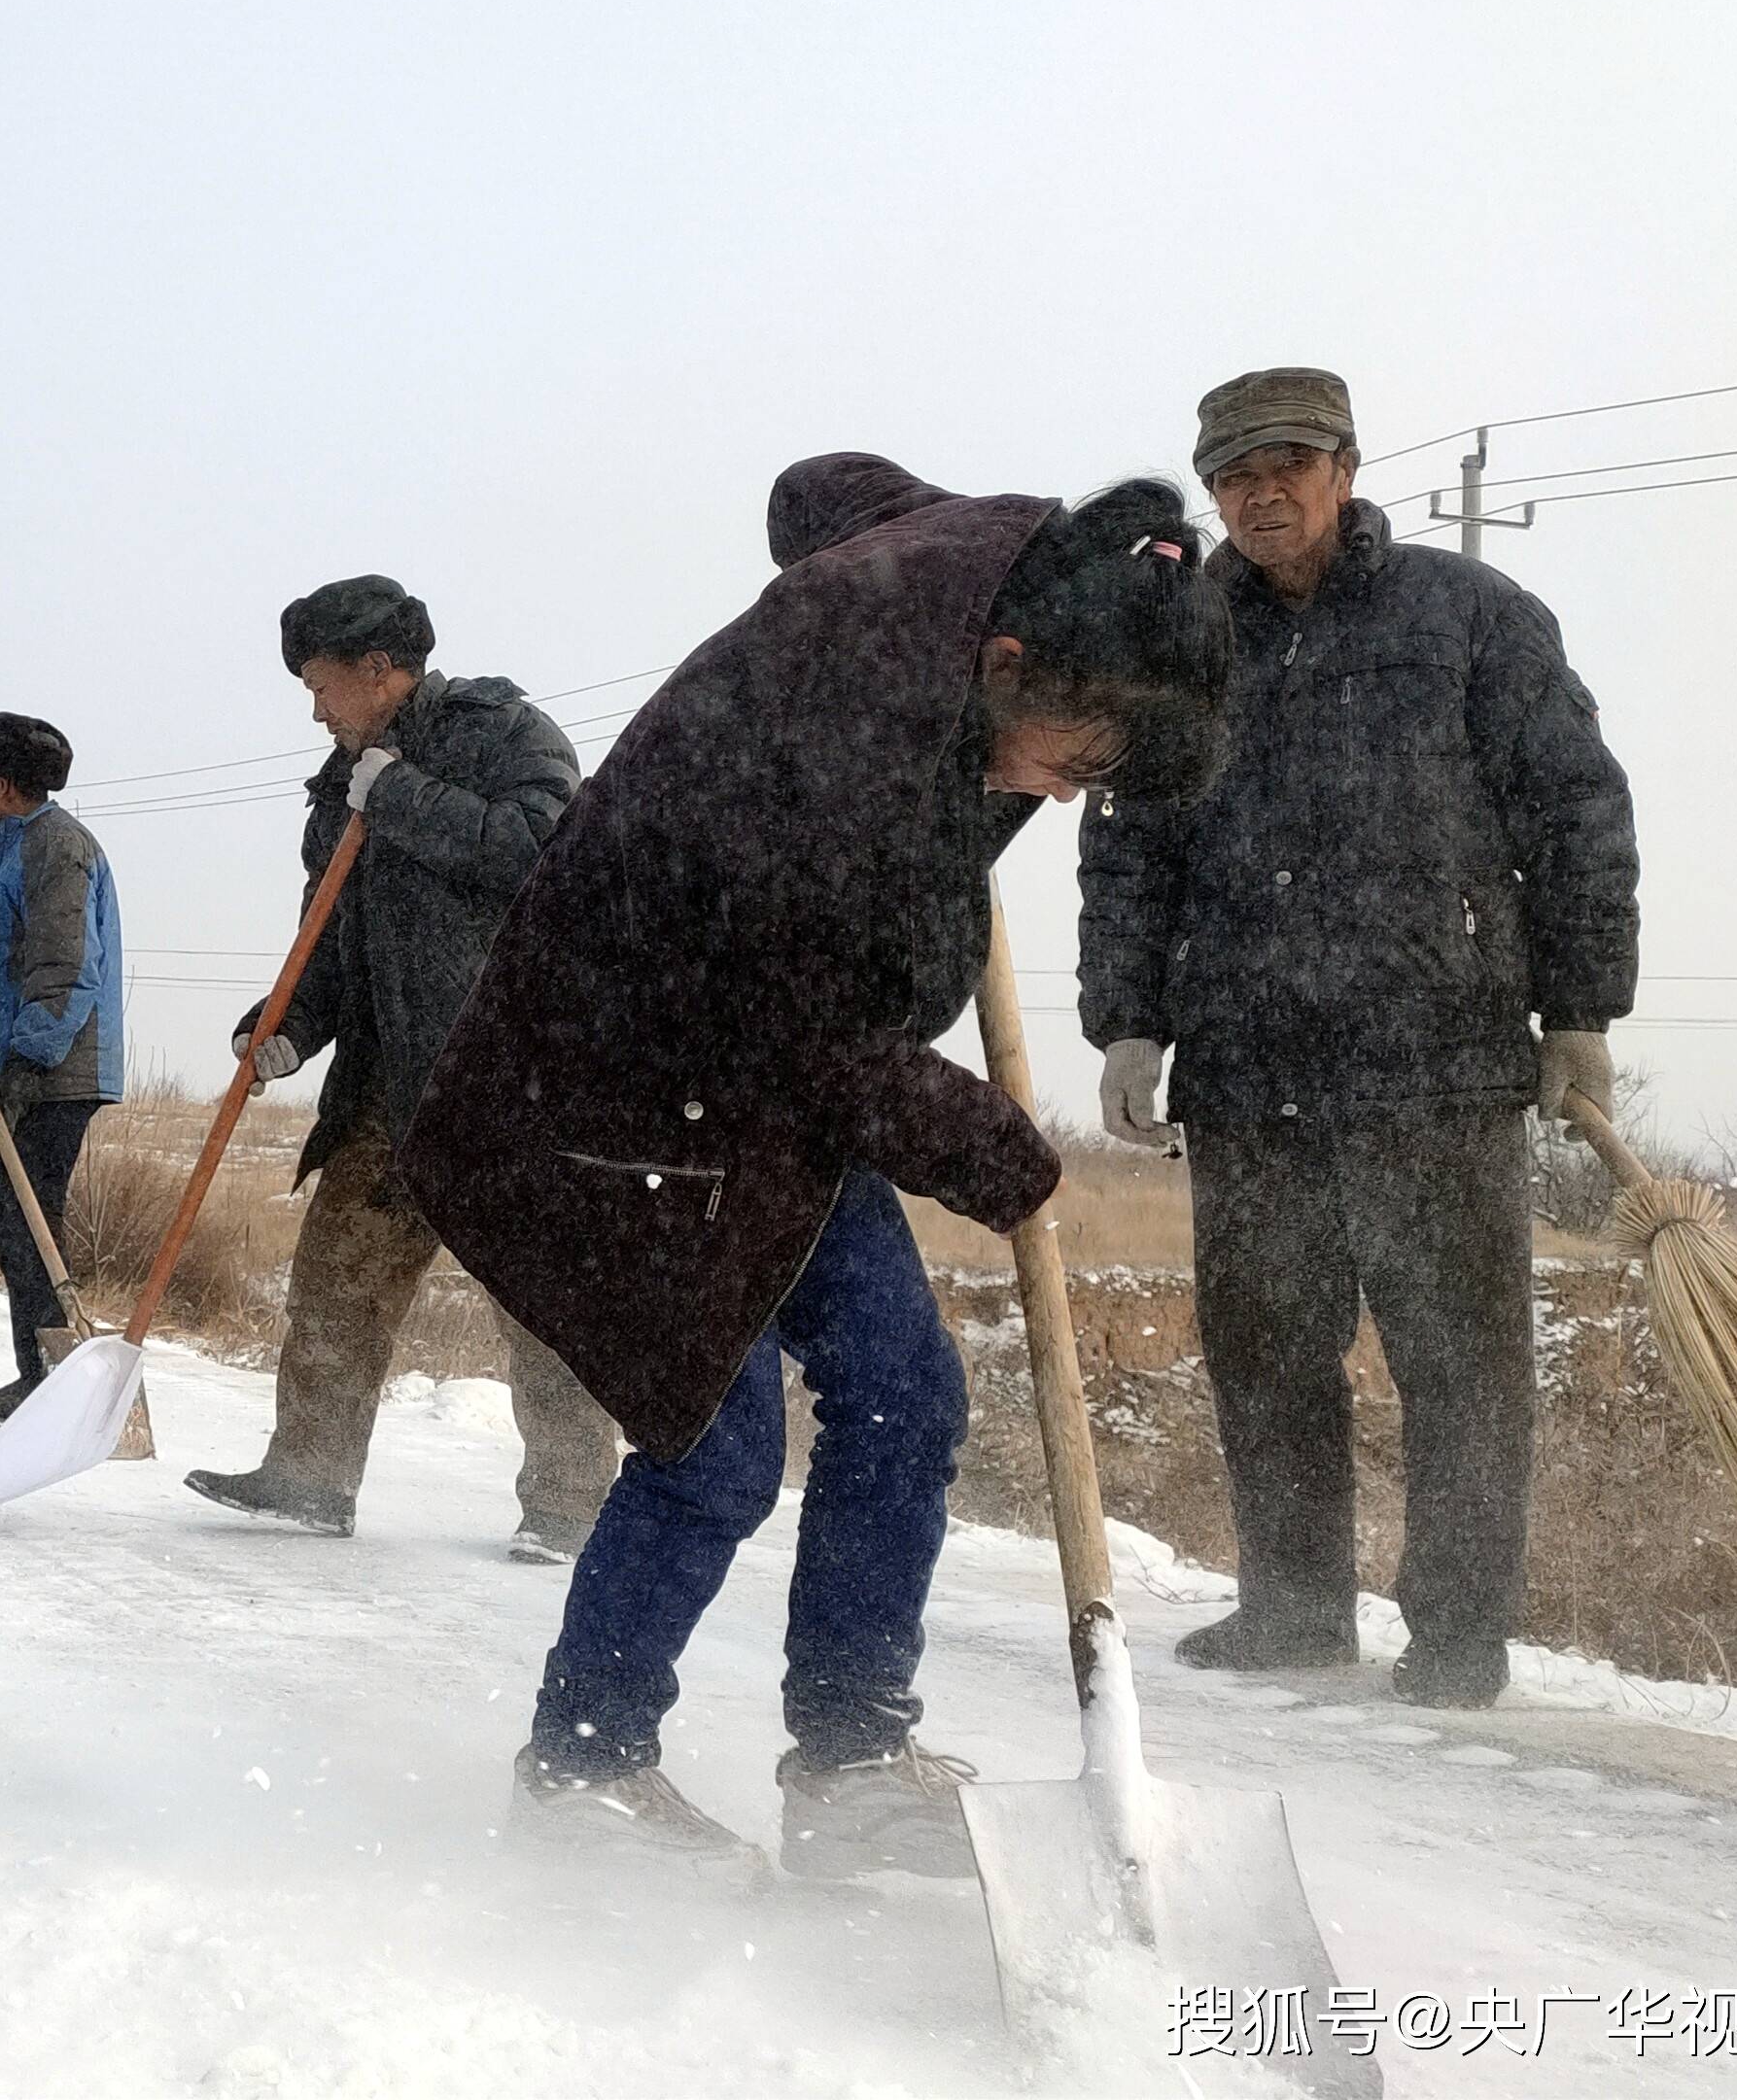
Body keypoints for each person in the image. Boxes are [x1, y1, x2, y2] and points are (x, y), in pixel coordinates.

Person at [404, 458, 1227, 1875]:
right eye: (1072, 759)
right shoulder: (831, 727)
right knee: (709, 1449)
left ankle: (849, 1754)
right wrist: (981, 1143)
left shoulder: (972, 591)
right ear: (1006, 662)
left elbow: (822, 489)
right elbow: (785, 1024)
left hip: (762, 1090)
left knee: (904, 1397)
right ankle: (581, 1762)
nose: (1063, 788)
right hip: (612, 1091)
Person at [1079, 369, 1639, 1710]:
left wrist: (1576, 1010)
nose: (1257, 492)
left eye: (1284, 462)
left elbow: (1572, 809)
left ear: (1341, 465)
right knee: (1265, 1344)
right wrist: (1127, 1020)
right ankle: (1289, 1607)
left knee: (1458, 1359)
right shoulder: (1180, 641)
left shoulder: (1466, 619)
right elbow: (1129, 846)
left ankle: (1454, 1633)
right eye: (1231, 474)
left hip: (1432, 1058)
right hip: (1247, 1061)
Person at [175, 583, 621, 1560]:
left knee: (538, 1301)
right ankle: (308, 1475)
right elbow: (327, 942)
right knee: (337, 1280)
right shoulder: (337, 786)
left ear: (379, 670)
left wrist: (401, 796)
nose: (314, 708)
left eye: (322, 684)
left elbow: (543, 850)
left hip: (511, 1080)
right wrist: (289, 1028)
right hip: (387, 1086)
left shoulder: (507, 736)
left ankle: (573, 1503)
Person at [0, 713, 122, 1422]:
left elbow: (66, 966)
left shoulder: (53, 847)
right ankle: (41, 1369)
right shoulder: (19, 844)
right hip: (33, 1064)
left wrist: (32, 1054)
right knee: (13, 1212)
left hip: (55, 1069)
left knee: (25, 1213)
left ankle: (48, 1376)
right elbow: (18, 949)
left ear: (1, 784)